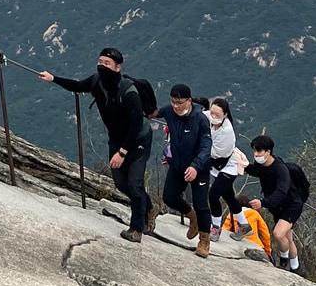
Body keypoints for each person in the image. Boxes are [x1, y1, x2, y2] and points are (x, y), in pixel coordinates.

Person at [39, 48, 152, 243]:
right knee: (120, 183)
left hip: (138, 139)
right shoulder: (96, 81)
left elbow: (135, 125)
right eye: (100, 62)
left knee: (134, 184)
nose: (101, 66)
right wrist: (53, 78)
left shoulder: (129, 91)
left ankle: (136, 229)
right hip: (116, 139)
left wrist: (122, 153)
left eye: (106, 63)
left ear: (118, 67)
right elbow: (76, 86)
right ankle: (147, 206)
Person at [158, 84, 214, 257]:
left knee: (201, 203)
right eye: (173, 101)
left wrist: (196, 166)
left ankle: (204, 240)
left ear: (189, 101)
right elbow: (152, 112)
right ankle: (192, 216)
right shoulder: (169, 111)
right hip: (178, 164)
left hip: (199, 168)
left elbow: (206, 146)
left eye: (180, 102)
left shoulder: (200, 119)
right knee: (169, 197)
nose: (176, 106)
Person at [237, 135, 303, 272]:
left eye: (259, 151)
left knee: (278, 234)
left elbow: (281, 191)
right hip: (277, 207)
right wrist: (244, 165)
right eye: (254, 151)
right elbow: (257, 172)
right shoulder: (262, 166)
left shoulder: (280, 169)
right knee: (287, 238)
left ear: (268, 151)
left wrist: (263, 202)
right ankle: (296, 268)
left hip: (291, 205)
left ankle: (283, 262)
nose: (256, 154)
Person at [205, 97, 253, 242]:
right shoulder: (211, 118)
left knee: (213, 195)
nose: (213, 116)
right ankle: (244, 225)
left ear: (225, 115)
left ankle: (216, 227)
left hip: (228, 167)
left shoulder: (227, 131)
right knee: (229, 197)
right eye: (212, 112)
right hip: (218, 166)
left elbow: (217, 153)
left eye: (217, 114)